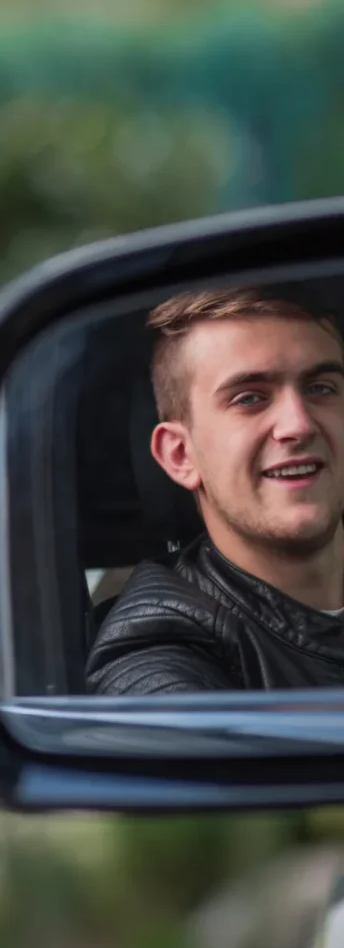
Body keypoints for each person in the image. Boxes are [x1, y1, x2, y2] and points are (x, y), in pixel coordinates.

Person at [86, 286, 344, 694]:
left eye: (320, 388)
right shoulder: (156, 654)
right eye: (249, 398)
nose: (299, 424)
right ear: (180, 455)